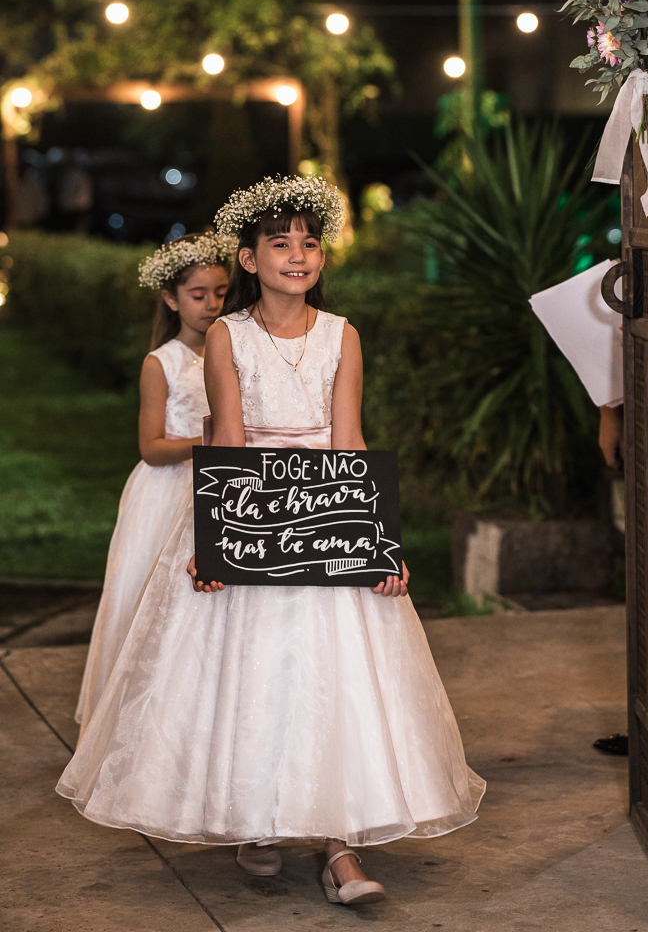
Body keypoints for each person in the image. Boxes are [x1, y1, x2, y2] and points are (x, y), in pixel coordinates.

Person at [57, 175, 484, 908]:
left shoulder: (342, 335)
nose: (297, 255)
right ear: (249, 260)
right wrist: (216, 538)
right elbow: (227, 440)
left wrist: (376, 543)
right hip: (254, 515)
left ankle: (340, 845)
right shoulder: (228, 335)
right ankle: (255, 818)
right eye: (280, 244)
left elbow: (349, 441)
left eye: (309, 243)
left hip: (324, 517)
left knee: (336, 680)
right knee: (252, 675)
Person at [74, 232, 232, 728]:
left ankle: (193, 714)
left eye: (221, 292)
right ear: (171, 298)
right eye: (198, 294)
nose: (211, 304)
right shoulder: (161, 363)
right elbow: (151, 447)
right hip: (167, 492)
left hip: (220, 485)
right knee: (156, 598)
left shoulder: (234, 353)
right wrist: (208, 443)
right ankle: (136, 719)